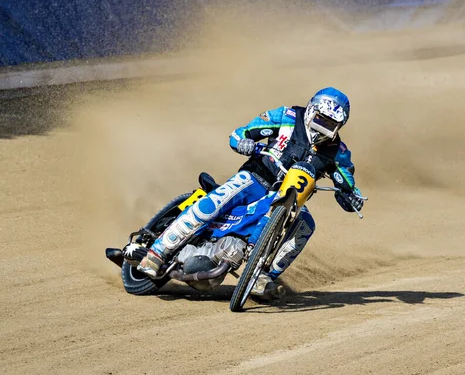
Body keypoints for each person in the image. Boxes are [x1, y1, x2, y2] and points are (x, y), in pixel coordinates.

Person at [138, 87, 365, 299]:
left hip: (291, 198)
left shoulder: (338, 152)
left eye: (330, 123)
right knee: (216, 201)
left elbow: (346, 183)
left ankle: (263, 275)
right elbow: (239, 135)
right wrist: (245, 143)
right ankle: (158, 252)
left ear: (340, 125)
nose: (323, 125)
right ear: (311, 110)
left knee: (306, 224)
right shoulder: (287, 116)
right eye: (320, 119)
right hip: (257, 177)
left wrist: (352, 197)